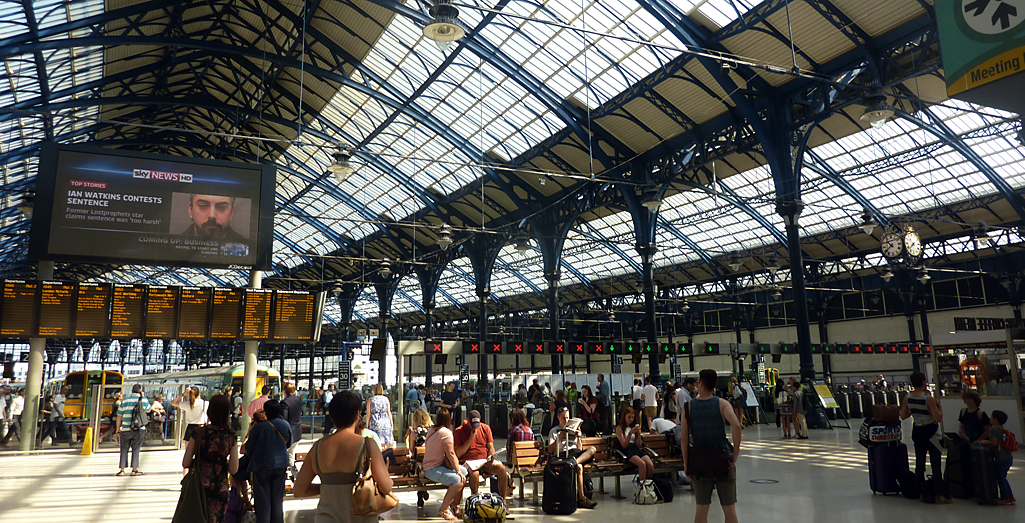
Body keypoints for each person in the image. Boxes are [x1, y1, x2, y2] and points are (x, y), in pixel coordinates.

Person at [293, 390, 394, 523]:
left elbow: (299, 490)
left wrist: (329, 486)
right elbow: (386, 487)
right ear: (357, 415)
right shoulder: (367, 445)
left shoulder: (318, 447)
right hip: (361, 518)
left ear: (333, 416)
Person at [681, 369, 742, 523]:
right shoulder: (722, 404)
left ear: (700, 384)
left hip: (700, 464)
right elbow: (736, 426)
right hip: (723, 461)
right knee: (729, 510)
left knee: (701, 510)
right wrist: (735, 453)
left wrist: (686, 464)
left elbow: (684, 438)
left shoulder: (688, 407)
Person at [183, 394, 240, 523]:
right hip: (220, 489)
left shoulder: (198, 432)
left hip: (198, 489)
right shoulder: (230, 435)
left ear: (209, 412)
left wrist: (202, 462)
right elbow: (234, 469)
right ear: (227, 413)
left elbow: (186, 462)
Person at [244, 399, 292, 523]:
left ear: (266, 412)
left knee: (263, 500)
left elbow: (248, 448)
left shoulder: (259, 427)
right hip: (281, 464)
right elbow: (289, 443)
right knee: (277, 499)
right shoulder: (285, 425)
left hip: (261, 465)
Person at [899, 372, 945, 494]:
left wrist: (914, 410)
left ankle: (920, 491)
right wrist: (939, 407)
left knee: (920, 462)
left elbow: (903, 416)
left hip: (917, 432)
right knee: (935, 464)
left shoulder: (907, 398)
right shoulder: (928, 399)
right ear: (924, 382)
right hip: (931, 433)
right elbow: (938, 417)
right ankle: (939, 493)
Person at [453, 409, 510, 501]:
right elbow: (458, 453)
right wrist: (471, 438)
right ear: (467, 421)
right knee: (475, 475)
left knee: (502, 469)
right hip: (469, 462)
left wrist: (491, 458)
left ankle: (503, 499)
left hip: (484, 461)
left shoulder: (485, 428)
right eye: (472, 425)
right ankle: (475, 499)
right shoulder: (459, 431)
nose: (475, 428)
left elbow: (491, 447)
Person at [547, 406, 598, 508]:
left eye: (567, 418)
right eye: (563, 418)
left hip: (575, 454)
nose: (566, 420)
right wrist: (559, 439)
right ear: (558, 417)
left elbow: (579, 448)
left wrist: (579, 437)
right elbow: (550, 450)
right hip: (563, 455)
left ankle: (574, 462)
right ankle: (582, 498)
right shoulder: (554, 431)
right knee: (579, 467)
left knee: (592, 449)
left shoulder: (573, 429)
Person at [421, 407, 467, 521]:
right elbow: (451, 453)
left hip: (434, 466)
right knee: (458, 480)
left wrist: (460, 471)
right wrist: (458, 471)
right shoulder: (446, 432)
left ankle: (455, 504)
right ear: (449, 419)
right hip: (432, 469)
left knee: (465, 472)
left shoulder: (432, 430)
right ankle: (443, 510)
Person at [115, 384, 151, 476]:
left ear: (132, 391)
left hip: (126, 428)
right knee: (136, 449)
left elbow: (119, 415)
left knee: (124, 449)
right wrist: (143, 397)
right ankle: (134, 470)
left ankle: (122, 470)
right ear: (141, 391)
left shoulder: (125, 401)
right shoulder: (143, 400)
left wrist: (118, 428)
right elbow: (148, 410)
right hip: (139, 428)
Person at [180, 193, 248, 241]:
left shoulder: (250, 249)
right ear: (190, 209)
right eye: (203, 205)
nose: (212, 215)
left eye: (222, 207)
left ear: (232, 212)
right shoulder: (171, 248)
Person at [615, 407, 654, 484]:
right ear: (624, 417)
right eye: (629, 417)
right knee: (642, 464)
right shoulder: (619, 428)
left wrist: (638, 434)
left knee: (650, 464)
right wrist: (630, 434)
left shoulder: (633, 427)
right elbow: (624, 445)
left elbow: (638, 445)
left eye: (632, 417)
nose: (631, 419)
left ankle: (649, 485)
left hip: (635, 448)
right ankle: (642, 488)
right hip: (627, 450)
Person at [987, 410, 1016, 505]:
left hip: (1001, 458)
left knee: (1001, 478)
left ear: (995, 419)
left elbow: (994, 443)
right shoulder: (1001, 428)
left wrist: (984, 442)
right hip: (1007, 457)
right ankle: (1010, 497)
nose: (990, 419)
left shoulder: (994, 429)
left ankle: (1005, 498)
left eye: (992, 417)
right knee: (1003, 478)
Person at [280, 382, 303, 478]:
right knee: (291, 453)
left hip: (288, 431)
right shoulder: (299, 400)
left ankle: (289, 475)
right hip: (297, 430)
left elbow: (284, 418)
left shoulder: (284, 402)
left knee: (286, 454)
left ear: (285, 391)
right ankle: (293, 474)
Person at [366, 384, 394, 449]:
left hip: (374, 422)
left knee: (375, 443)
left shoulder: (370, 400)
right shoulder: (386, 399)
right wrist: (391, 424)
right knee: (384, 444)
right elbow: (389, 412)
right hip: (385, 422)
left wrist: (367, 425)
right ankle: (383, 457)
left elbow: (368, 414)